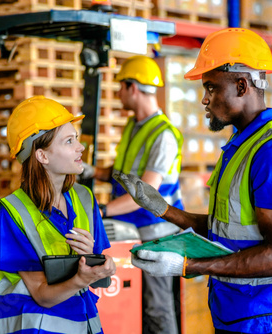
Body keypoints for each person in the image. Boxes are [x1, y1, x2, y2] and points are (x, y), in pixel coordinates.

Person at [114, 28, 272, 334]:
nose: (204, 99)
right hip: (238, 311)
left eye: (211, 88)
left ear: (242, 85)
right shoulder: (240, 146)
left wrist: (189, 266)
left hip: (267, 317)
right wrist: (164, 210)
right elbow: (229, 228)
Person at [0, 96, 116, 334]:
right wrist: (82, 278)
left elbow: (100, 279)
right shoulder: (14, 212)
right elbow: (42, 296)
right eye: (69, 141)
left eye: (76, 138)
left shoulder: (84, 198)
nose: (81, 147)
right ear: (42, 156)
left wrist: (99, 263)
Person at [82, 55, 184, 334]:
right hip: (134, 229)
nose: (118, 94)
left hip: (157, 233)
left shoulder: (163, 134)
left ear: (133, 88)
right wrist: (91, 171)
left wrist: (103, 210)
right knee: (134, 306)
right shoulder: (134, 127)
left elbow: (146, 192)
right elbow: (123, 174)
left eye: (121, 87)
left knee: (156, 306)